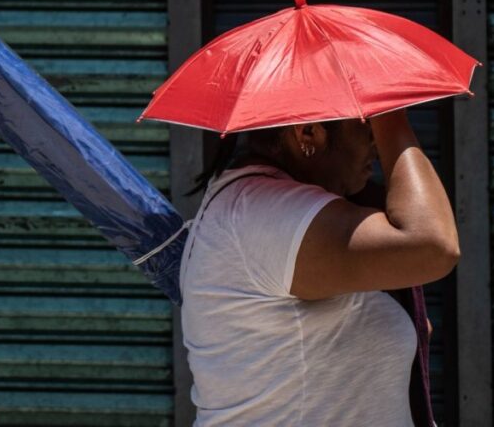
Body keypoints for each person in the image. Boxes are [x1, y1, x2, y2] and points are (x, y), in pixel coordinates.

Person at [179, 108, 460, 426]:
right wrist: (391, 115)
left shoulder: (263, 206)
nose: (376, 144)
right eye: (368, 124)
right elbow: (432, 246)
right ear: (308, 132)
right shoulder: (262, 214)